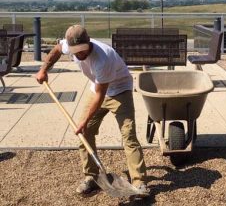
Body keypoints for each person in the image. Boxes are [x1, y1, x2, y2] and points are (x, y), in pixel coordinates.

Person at [35, 24, 149, 197]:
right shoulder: (69, 45)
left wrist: (84, 121)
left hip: (119, 90)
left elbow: (100, 96)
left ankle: (139, 182)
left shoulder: (103, 58)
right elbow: (57, 49)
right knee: (84, 134)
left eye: (82, 50)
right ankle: (92, 177)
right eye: (75, 51)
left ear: (89, 42)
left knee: (129, 135)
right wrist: (43, 70)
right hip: (96, 89)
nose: (80, 54)